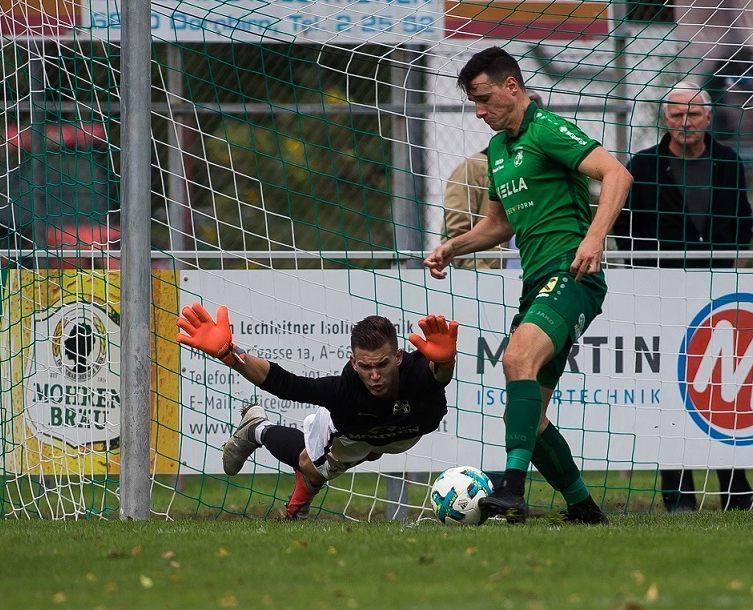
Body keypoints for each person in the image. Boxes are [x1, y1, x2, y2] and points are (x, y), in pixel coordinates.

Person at [424, 47, 633, 524]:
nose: (478, 111)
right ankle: (583, 508)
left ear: (511, 87)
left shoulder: (547, 129)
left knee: (517, 359)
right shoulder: (497, 151)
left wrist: (594, 240)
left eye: (482, 98)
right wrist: (453, 247)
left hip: (573, 273)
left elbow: (617, 174)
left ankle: (511, 490)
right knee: (529, 420)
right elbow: (498, 226)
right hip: (536, 279)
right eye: (473, 102)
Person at [612, 80, 753, 512]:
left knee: (723, 391)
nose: (686, 122)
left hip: (717, 296)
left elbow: (743, 223)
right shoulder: (644, 165)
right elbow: (624, 228)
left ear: (708, 118)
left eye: (694, 114)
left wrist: (728, 261)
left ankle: (736, 491)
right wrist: (648, 275)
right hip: (661, 297)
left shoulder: (729, 163)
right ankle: (678, 496)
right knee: (670, 394)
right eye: (677, 114)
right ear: (665, 119)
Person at [176, 303, 458, 519]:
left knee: (369, 452)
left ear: (398, 357)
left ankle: (297, 499)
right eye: (365, 367)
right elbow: (287, 385)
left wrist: (447, 362)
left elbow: (438, 374)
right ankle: (257, 429)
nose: (374, 375)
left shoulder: (418, 374)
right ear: (354, 362)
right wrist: (230, 354)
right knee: (312, 467)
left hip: (397, 435)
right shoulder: (345, 393)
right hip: (352, 436)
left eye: (382, 364)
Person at [443, 92, 544, 270]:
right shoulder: (473, 169)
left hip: (542, 269)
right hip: (496, 278)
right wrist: (488, 276)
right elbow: (453, 233)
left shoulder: (545, 165)